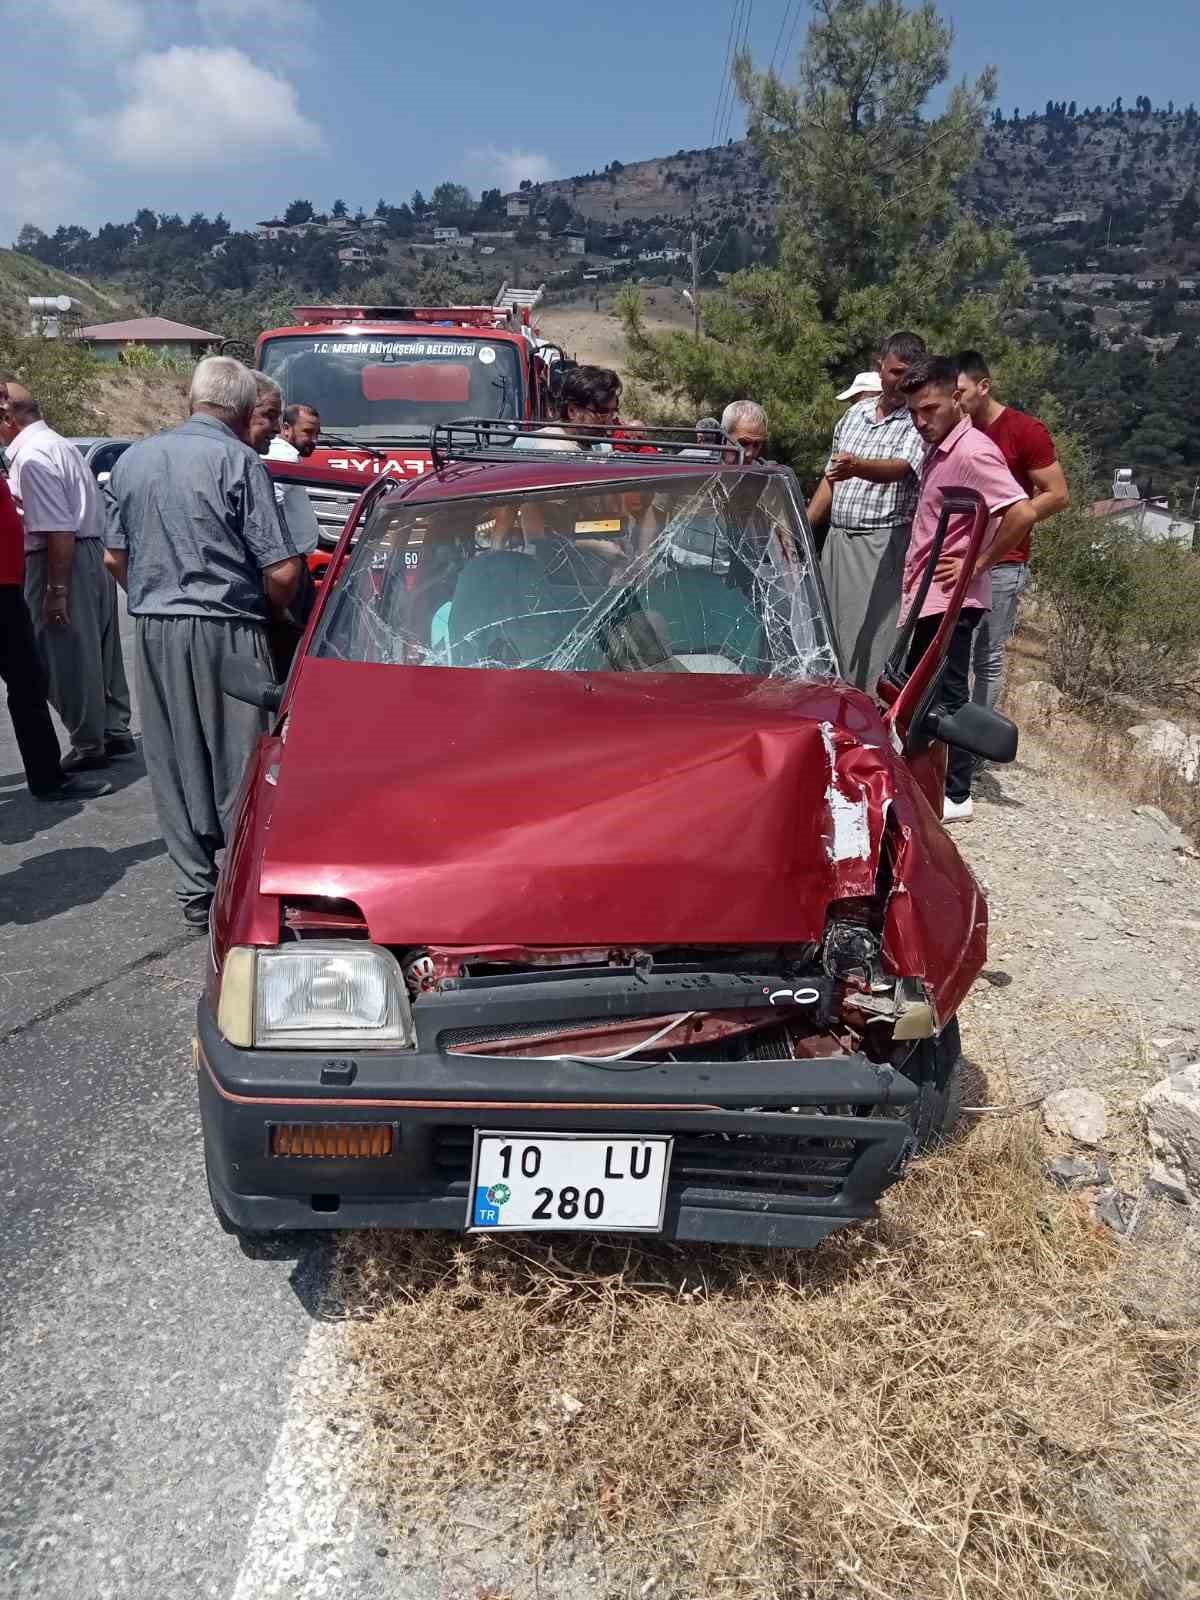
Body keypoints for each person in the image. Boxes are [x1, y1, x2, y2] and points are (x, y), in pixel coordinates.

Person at [103, 357, 303, 929]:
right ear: (242, 410)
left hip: (154, 629)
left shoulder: (133, 459)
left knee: (171, 757)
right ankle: (247, 892)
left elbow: (115, 557)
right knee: (242, 761)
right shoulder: (238, 461)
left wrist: (158, 593)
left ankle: (195, 891)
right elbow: (284, 572)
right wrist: (274, 615)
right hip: (229, 625)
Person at [899, 356, 1036, 823]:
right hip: (929, 596)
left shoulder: (973, 451)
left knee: (950, 698)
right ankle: (926, 782)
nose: (921, 421)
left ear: (957, 399)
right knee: (924, 695)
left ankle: (956, 793)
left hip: (953, 600)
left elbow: (1022, 511)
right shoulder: (938, 446)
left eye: (930, 409)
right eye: (915, 412)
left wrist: (977, 563)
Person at [0, 379, 132, 771]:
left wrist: (55, 590)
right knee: (99, 652)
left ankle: (90, 744)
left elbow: (57, 527)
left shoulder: (32, 455)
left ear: (9, 418)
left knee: (65, 657)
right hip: (86, 550)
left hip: (61, 557)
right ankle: (113, 730)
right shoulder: (58, 444)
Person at [806, 331, 928, 691]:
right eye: (893, 372)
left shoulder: (915, 420)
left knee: (872, 637)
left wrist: (858, 467)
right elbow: (831, 478)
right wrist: (805, 525)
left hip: (881, 543)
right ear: (880, 368)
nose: (899, 382)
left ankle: (867, 716)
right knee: (828, 632)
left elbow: (901, 467)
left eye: (907, 373)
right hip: (839, 540)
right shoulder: (855, 415)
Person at [955, 351, 1070, 709]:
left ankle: (970, 756)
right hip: (958, 558)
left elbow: (1058, 494)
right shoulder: (957, 429)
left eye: (960, 391)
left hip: (1003, 563)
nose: (955, 399)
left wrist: (1008, 526)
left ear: (984, 386)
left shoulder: (1025, 430)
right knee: (951, 655)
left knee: (985, 659)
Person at [0, 467, 111, 802]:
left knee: (28, 683)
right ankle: (47, 779)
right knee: (27, 683)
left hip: (7, 588)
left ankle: (47, 778)